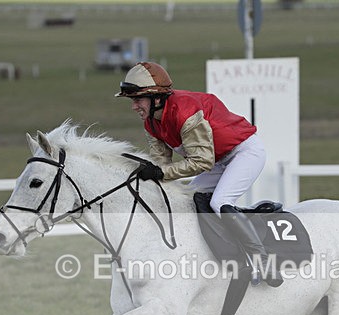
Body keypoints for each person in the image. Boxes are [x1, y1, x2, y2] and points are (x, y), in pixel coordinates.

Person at [115, 61, 282, 287]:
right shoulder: (151, 123)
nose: (134, 106)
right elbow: (160, 164)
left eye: (137, 99)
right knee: (187, 199)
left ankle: (263, 261)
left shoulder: (184, 111)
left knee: (220, 201)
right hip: (217, 161)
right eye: (132, 100)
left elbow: (201, 161)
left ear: (156, 98)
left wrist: (160, 173)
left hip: (244, 152)